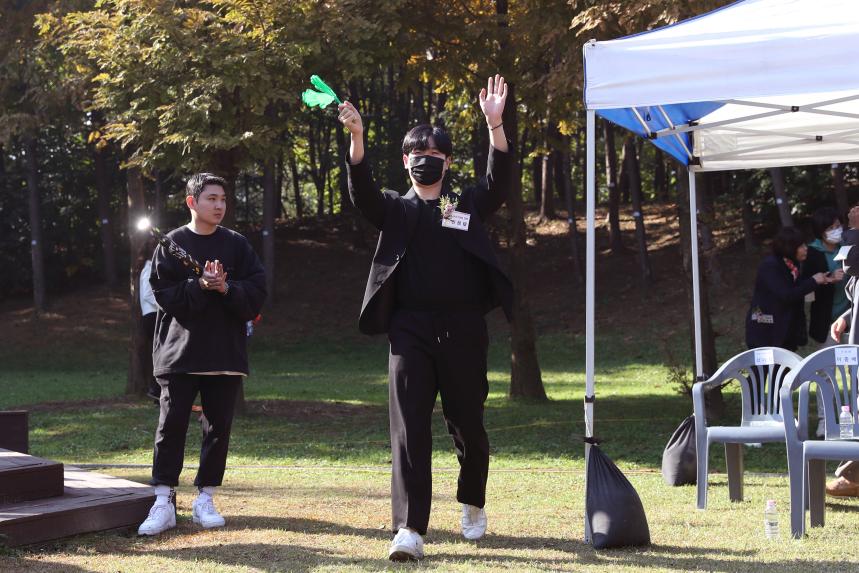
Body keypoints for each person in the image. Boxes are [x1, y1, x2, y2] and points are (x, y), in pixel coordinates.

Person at [339, 75, 513, 561]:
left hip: (463, 329)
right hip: (409, 330)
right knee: (408, 429)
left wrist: (494, 126)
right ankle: (409, 529)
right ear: (405, 161)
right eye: (416, 151)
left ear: (447, 161)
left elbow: (499, 184)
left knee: (469, 426)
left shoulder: (465, 205)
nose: (424, 157)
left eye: (434, 151)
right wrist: (356, 138)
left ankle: (472, 501)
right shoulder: (396, 210)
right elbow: (362, 193)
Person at [137, 173, 266, 536]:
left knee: (217, 429)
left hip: (224, 355)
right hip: (179, 354)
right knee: (170, 426)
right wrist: (198, 285)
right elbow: (163, 294)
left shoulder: (237, 245)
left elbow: (257, 292)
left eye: (223, 199)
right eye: (211, 199)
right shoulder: (172, 243)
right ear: (192, 202)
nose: (219, 205)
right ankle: (163, 501)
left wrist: (226, 287)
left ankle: (205, 498)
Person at [745, 226, 832, 351]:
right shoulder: (770, 266)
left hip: (785, 329)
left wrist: (821, 280)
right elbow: (786, 294)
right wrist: (813, 281)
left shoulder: (791, 264)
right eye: (801, 246)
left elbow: (797, 286)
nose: (805, 249)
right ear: (789, 248)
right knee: (768, 369)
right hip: (766, 330)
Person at [802, 206, 847, 345]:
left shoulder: (847, 246)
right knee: (830, 362)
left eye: (838, 226)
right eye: (830, 229)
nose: (836, 231)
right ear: (820, 232)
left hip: (850, 314)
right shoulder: (811, 253)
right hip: (826, 318)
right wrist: (828, 279)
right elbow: (805, 289)